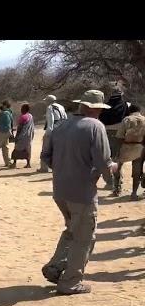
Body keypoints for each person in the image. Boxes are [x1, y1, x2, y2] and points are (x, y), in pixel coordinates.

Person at [41, 90, 118, 295]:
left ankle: (56, 266)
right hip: (82, 192)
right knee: (84, 237)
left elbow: (46, 157)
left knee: (72, 229)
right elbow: (103, 161)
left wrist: (64, 170)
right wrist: (111, 173)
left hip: (60, 191)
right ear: (94, 108)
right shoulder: (95, 126)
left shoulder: (59, 126)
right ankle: (70, 281)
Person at [99, 86, 129, 190]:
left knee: (106, 158)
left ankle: (110, 182)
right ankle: (118, 181)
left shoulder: (104, 106)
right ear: (121, 94)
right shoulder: (126, 105)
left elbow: (100, 118)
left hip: (105, 132)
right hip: (120, 134)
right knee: (117, 158)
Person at [114, 104, 145, 200]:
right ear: (139, 110)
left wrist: (117, 151)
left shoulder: (126, 119)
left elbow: (119, 136)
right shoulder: (144, 119)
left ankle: (117, 189)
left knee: (118, 168)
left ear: (130, 111)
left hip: (126, 146)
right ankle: (134, 193)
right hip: (139, 147)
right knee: (137, 171)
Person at [37, 95, 67, 173]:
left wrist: (48, 133)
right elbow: (65, 118)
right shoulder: (61, 107)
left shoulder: (50, 107)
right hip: (62, 129)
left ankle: (44, 167)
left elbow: (51, 121)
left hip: (53, 130)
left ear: (49, 101)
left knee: (45, 149)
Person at [10, 103, 35, 168]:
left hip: (22, 136)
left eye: (22, 108)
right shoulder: (30, 116)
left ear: (24, 109)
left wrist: (17, 137)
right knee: (27, 149)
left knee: (16, 149)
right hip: (29, 135)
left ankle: (14, 163)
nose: (21, 109)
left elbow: (20, 128)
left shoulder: (23, 117)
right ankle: (28, 164)